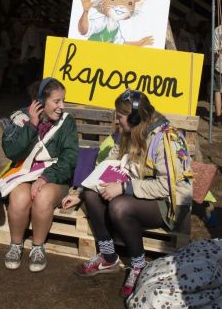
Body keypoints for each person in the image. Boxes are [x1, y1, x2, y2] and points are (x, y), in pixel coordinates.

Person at [62, 90, 192, 298]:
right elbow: (108, 163)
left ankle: (138, 265)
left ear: (133, 117)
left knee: (119, 206)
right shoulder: (129, 132)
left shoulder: (167, 139)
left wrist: (124, 188)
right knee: (91, 194)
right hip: (140, 191)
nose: (116, 120)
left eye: (120, 116)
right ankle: (108, 256)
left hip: (168, 203)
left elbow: (167, 187)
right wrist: (81, 190)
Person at [0, 77, 78, 272]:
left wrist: (45, 177)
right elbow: (12, 152)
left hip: (55, 175)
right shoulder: (20, 118)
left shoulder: (67, 122)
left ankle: (37, 246)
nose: (62, 106)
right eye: (57, 101)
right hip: (25, 174)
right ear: (41, 101)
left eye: (63, 100)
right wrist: (31, 125)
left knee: (42, 197)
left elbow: (69, 157)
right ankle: (16, 244)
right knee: (18, 197)